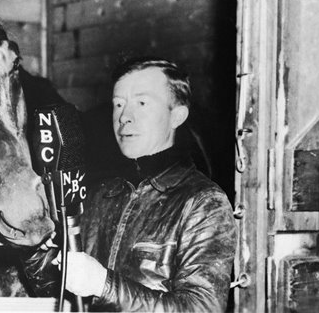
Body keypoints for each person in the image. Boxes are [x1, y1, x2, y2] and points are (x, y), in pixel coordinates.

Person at [23, 57, 237, 312]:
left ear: (177, 116)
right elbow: (61, 292)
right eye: (118, 104)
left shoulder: (203, 203)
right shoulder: (99, 195)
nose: (124, 116)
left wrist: (103, 284)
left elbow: (202, 308)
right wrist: (34, 249)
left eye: (142, 103)